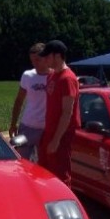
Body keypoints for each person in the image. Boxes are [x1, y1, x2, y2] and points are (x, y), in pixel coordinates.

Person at [37, 40, 80, 186]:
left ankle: (61, 205)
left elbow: (67, 113)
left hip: (61, 135)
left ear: (57, 56)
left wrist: (56, 140)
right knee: (44, 172)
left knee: (60, 177)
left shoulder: (67, 79)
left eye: (47, 56)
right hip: (49, 131)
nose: (44, 60)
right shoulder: (52, 75)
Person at [9, 42, 51, 161]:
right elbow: (19, 101)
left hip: (46, 129)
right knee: (22, 159)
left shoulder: (54, 76)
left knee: (44, 162)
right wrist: (13, 124)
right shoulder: (27, 75)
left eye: (38, 60)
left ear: (46, 58)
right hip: (27, 126)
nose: (34, 63)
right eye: (32, 60)